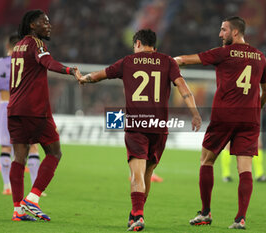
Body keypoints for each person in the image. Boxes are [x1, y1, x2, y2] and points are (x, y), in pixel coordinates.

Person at [78, 29, 202, 231]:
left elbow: (99, 75)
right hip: (159, 128)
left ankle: (138, 215)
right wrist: (195, 113)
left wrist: (84, 79)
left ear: (137, 43)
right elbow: (183, 87)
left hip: (137, 125)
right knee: (148, 172)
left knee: (137, 173)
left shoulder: (127, 62)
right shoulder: (168, 61)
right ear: (154, 45)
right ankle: (135, 213)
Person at [174, 16, 266, 229]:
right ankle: (240, 218)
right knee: (245, 169)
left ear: (235, 32)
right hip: (250, 119)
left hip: (224, 117)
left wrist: (170, 61)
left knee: (206, 161)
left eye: (223, 30)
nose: (220, 34)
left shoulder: (224, 53)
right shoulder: (260, 57)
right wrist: (257, 109)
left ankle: (206, 213)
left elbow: (188, 60)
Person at [7, 9, 81, 222]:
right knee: (55, 153)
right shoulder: (35, 43)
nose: (49, 25)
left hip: (15, 110)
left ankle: (17, 210)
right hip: (34, 110)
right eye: (44, 22)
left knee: (19, 159)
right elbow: (48, 63)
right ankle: (32, 198)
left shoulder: (18, 47)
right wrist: (69, 70)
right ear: (32, 25)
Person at [0, 35, 43, 196]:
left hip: (4, 106)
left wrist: (1, 89)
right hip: (24, 107)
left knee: (6, 147)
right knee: (33, 146)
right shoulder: (28, 63)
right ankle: (35, 188)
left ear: (7, 45)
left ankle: (7, 186)